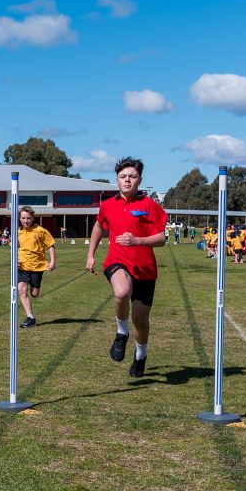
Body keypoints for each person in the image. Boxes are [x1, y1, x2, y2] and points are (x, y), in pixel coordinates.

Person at [85, 157, 166, 378]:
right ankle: (121, 333)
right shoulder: (108, 205)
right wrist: (90, 255)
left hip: (145, 269)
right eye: (123, 177)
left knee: (141, 321)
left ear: (140, 179)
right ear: (117, 180)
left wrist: (138, 241)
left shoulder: (150, 206)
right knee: (120, 291)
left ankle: (141, 356)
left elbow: (161, 238)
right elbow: (98, 227)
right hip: (116, 260)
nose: (127, 180)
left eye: (132, 176)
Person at [15, 206, 56, 328]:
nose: (25, 220)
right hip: (22, 266)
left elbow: (51, 246)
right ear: (20, 218)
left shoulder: (40, 231)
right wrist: (15, 258)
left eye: (28, 218)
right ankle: (30, 317)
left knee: (34, 293)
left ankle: (35, 287)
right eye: (23, 218)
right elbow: (14, 247)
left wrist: (53, 262)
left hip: (37, 267)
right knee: (21, 289)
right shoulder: (17, 231)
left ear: (32, 218)